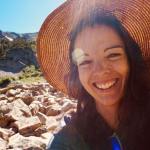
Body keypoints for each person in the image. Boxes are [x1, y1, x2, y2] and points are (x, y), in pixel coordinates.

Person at [37, 0, 150, 149]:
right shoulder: (67, 142)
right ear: (77, 73)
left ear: (130, 59)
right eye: (85, 61)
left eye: (113, 55)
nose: (100, 70)